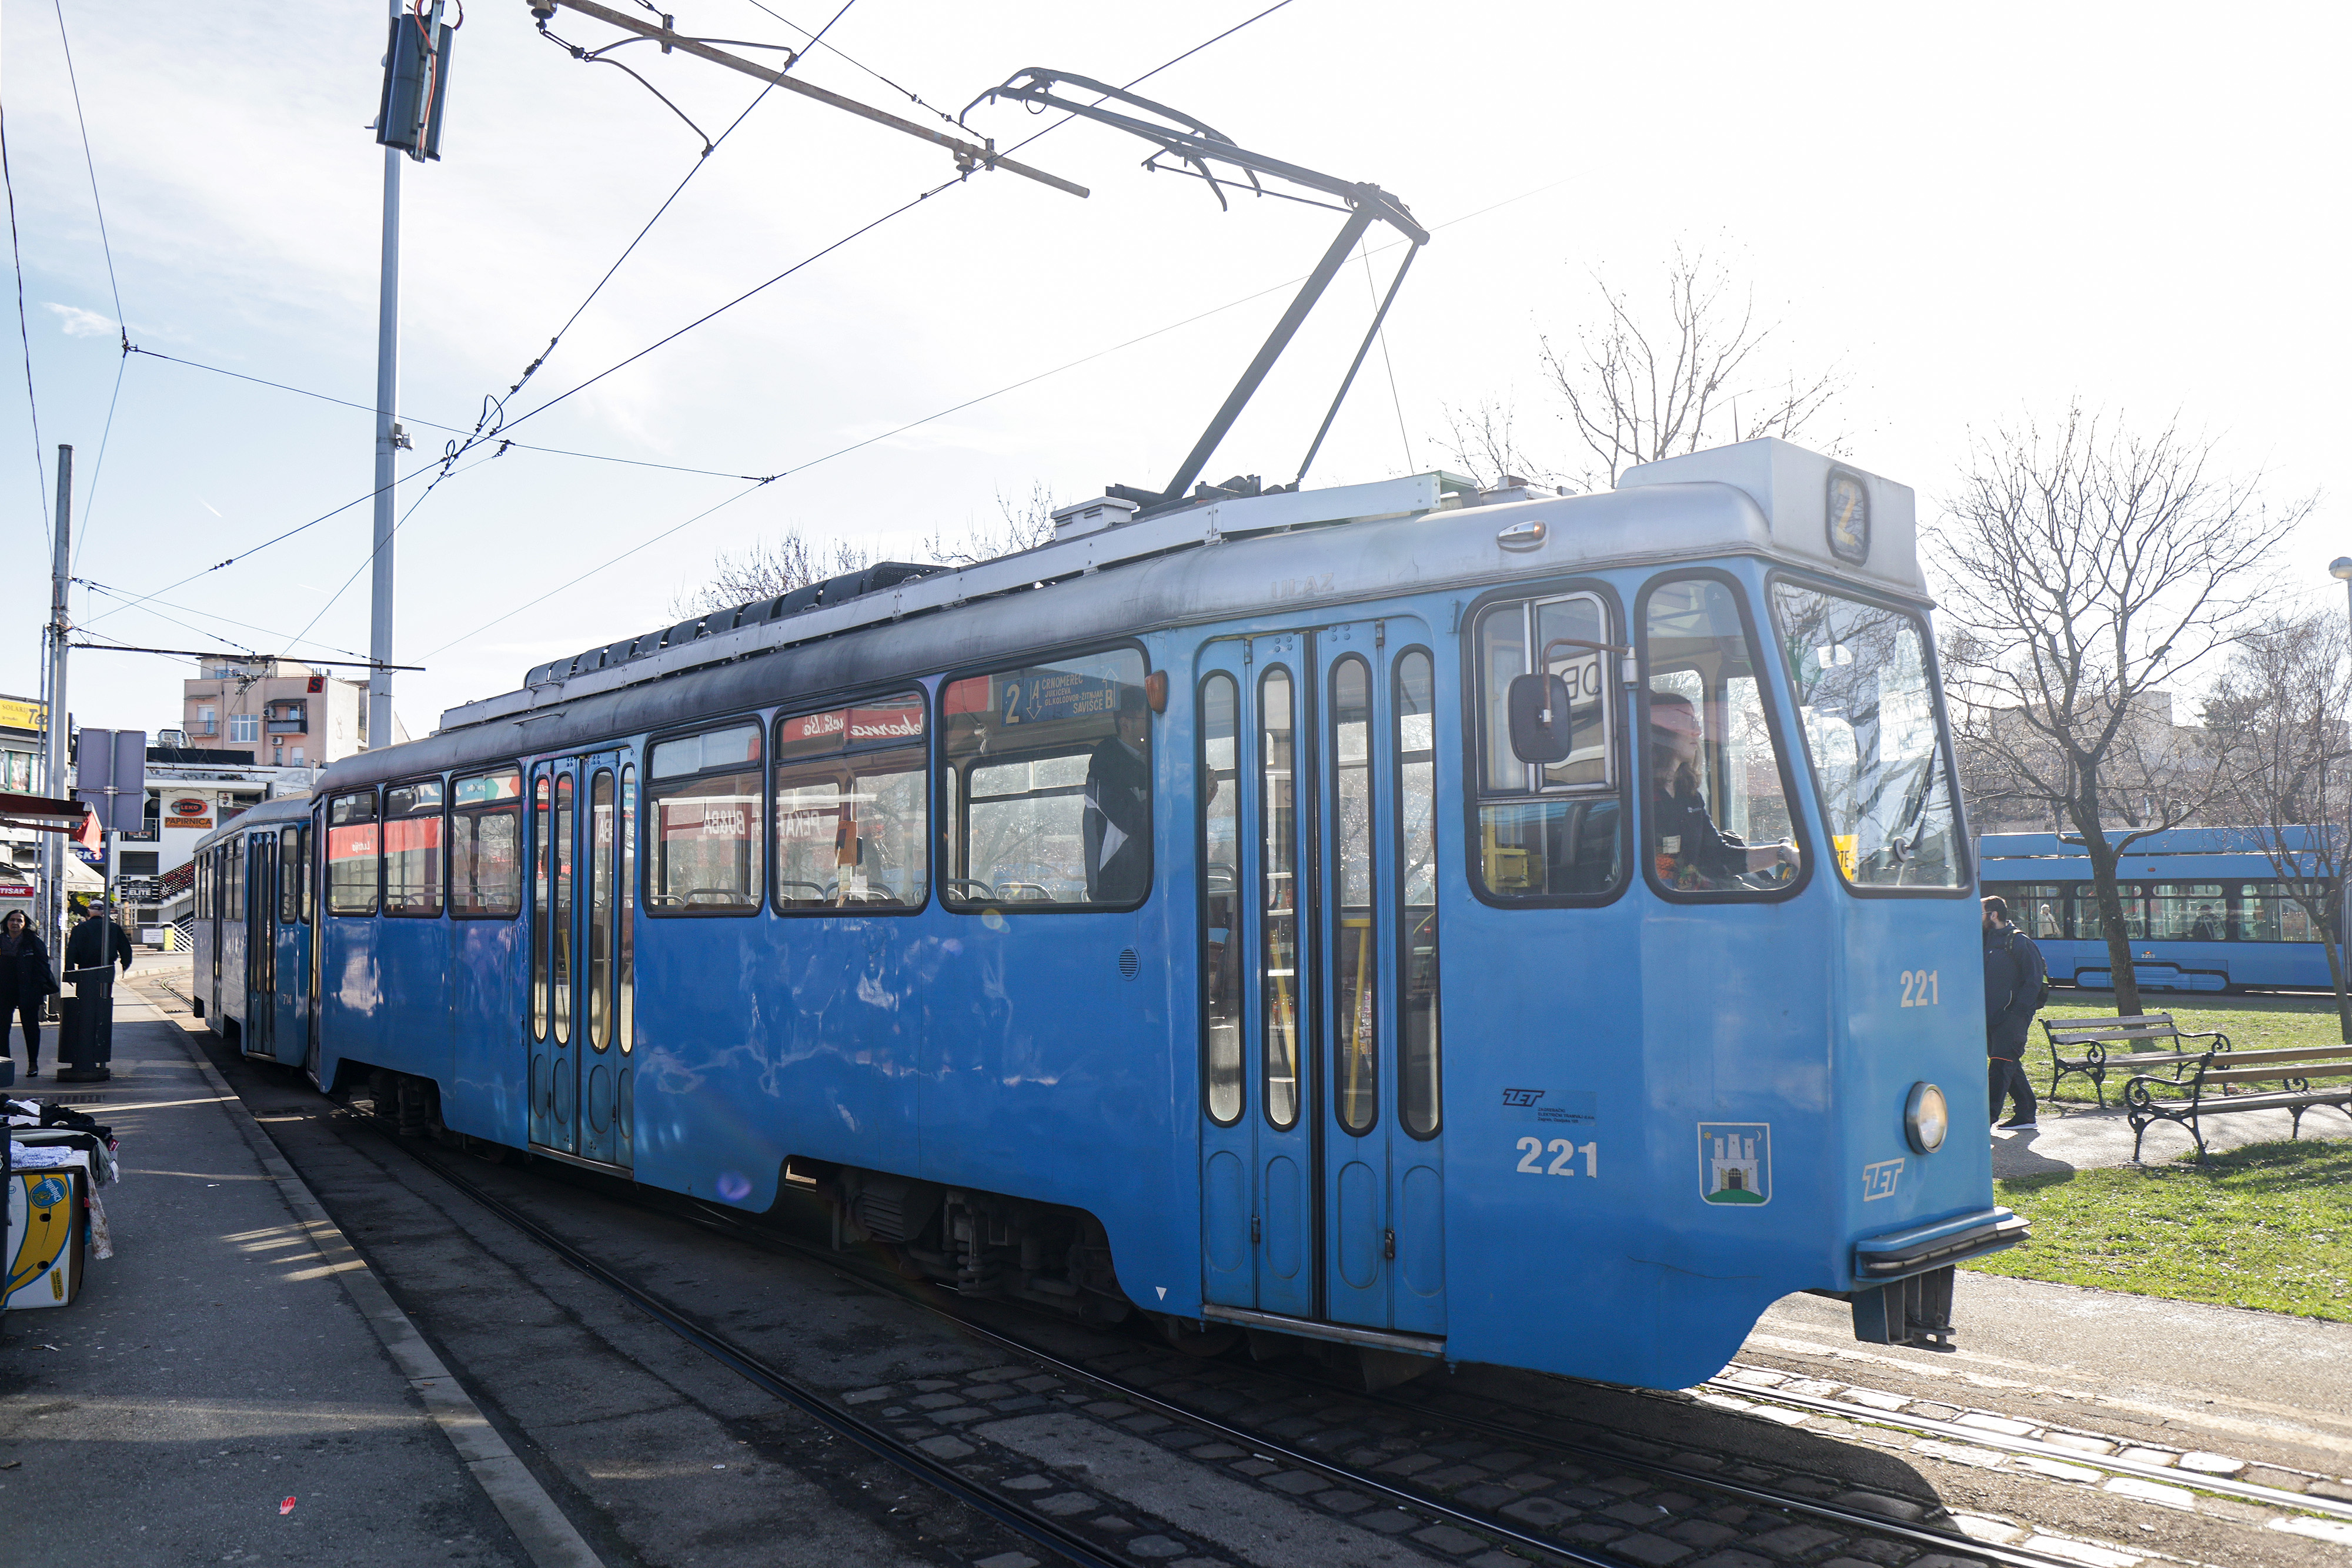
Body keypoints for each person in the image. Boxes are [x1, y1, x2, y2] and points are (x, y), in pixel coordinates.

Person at [1648, 694, 1798, 889]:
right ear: (1661, 733)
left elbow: (1719, 855)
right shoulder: (1644, 798)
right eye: (1687, 723)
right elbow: (1665, 874)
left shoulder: (1689, 796)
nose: (1698, 732)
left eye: (1697, 723)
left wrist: (1783, 853)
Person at [1983, 894, 2046, 1130]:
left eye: (1980, 913)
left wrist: (2018, 1013)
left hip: (2012, 1016)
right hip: (1993, 1015)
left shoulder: (2019, 942)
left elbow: (2034, 980)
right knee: (2008, 1061)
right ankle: (2026, 1113)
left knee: (2000, 1064)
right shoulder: (1989, 941)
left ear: (1993, 915)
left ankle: (1987, 1118)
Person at [1083, 686, 1151, 902]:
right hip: (1119, 894)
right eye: (1147, 718)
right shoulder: (1106, 768)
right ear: (1125, 723)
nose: (1154, 725)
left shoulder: (1147, 764)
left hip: (1145, 886)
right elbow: (1135, 823)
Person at [0, 908, 58, 1077]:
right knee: (2, 1029)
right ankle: (5, 1065)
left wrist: (38, 986)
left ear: (25, 924)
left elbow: (43, 965)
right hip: (4, 990)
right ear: (6, 922)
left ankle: (33, 1064)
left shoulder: (32, 941)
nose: (15, 923)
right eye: (12, 920)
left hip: (29, 989)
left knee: (31, 1028)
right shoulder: (1, 941)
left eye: (20, 920)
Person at [66, 898, 136, 978]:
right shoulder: (114, 927)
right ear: (104, 912)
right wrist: (125, 964)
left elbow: (72, 950)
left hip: (85, 968)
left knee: (85, 989)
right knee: (105, 989)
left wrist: (70, 970)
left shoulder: (79, 928)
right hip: (107, 967)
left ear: (89, 912)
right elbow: (125, 948)